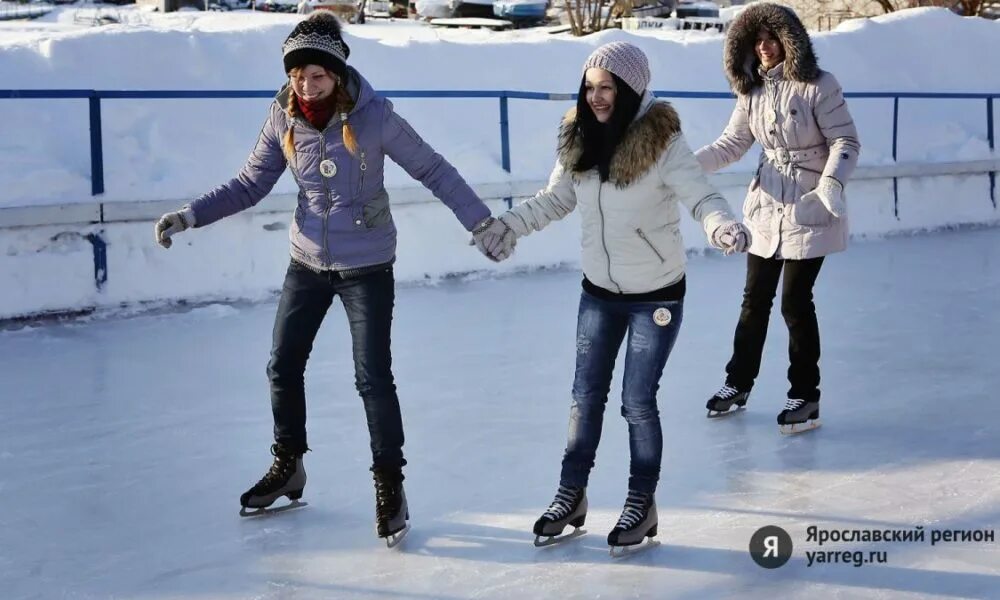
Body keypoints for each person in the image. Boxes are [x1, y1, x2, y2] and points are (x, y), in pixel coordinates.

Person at [153, 12, 512, 544]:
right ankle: (289, 464)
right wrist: (190, 215)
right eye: (297, 74)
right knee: (283, 363)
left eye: (316, 73)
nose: (305, 83)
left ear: (337, 72)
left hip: (367, 264)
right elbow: (249, 184)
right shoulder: (283, 118)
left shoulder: (374, 116)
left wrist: (481, 223)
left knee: (372, 378)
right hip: (308, 262)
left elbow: (433, 168)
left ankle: (390, 483)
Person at [477, 42, 749, 552]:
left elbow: (702, 195)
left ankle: (640, 504)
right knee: (585, 399)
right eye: (590, 86)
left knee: (637, 403)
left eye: (607, 87)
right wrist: (509, 226)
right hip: (598, 294)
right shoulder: (579, 138)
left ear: (630, 88)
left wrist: (722, 225)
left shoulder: (663, 142)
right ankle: (570, 495)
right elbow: (556, 199)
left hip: (656, 297)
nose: (597, 96)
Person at [696, 3, 860, 433]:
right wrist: (688, 165)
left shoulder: (818, 86)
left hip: (810, 203)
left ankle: (806, 394)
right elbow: (731, 144)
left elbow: (845, 140)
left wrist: (830, 186)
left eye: (772, 39)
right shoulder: (751, 91)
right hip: (767, 205)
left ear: (790, 42)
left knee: (794, 302)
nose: (765, 47)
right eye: (757, 40)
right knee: (754, 300)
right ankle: (739, 383)